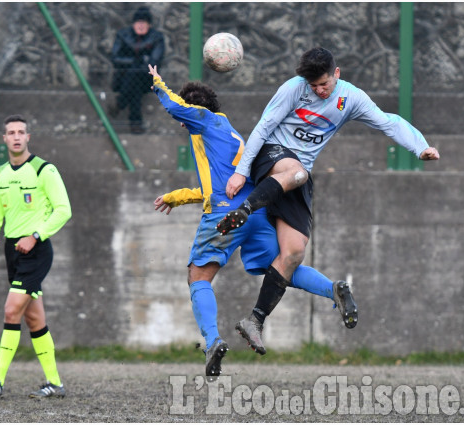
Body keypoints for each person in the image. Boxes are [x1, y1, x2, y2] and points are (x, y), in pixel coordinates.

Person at [218, 47, 440, 354]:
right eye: (314, 86)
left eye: (324, 83)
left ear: (337, 74)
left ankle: (254, 321)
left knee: (294, 252)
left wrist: (421, 147)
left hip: (298, 176)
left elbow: (388, 121)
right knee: (298, 173)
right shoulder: (294, 89)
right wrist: (242, 172)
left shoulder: (351, 98)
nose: (319, 90)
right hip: (272, 158)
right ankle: (247, 207)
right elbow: (264, 127)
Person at [148, 64, 351, 375]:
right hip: (255, 211)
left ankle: (212, 341)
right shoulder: (227, 131)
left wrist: (158, 84)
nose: (182, 124)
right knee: (281, 266)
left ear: (195, 110)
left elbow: (177, 107)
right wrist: (176, 197)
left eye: (185, 118)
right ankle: (332, 288)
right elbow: (210, 185)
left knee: (198, 277)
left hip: (225, 211)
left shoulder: (203, 121)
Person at [0, 114, 72, 399]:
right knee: (34, 321)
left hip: (37, 250)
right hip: (13, 252)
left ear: (28, 137)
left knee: (11, 310)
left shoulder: (45, 170)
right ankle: (55, 383)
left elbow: (63, 209)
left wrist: (35, 236)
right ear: (4, 139)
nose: (16, 137)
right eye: (11, 132)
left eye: (21, 132)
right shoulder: (0, 175)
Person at [109, 6, 165, 134]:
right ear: (133, 23)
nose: (140, 25)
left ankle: (120, 103)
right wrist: (135, 62)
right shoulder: (123, 35)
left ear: (149, 24)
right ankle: (136, 123)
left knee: (136, 76)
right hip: (123, 79)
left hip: (147, 79)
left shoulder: (156, 37)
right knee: (135, 82)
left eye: (144, 22)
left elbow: (155, 61)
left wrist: (135, 64)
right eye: (138, 22)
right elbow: (114, 58)